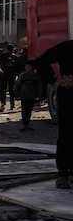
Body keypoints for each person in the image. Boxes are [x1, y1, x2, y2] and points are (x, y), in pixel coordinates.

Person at [35, 39, 73, 188]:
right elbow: (40, 60)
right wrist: (53, 80)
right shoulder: (66, 47)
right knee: (66, 134)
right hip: (68, 95)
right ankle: (63, 173)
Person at [15, 60, 43, 132]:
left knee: (29, 111)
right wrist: (17, 94)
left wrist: (39, 97)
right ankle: (25, 124)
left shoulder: (36, 77)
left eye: (29, 66)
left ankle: (27, 124)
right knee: (24, 110)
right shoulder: (23, 75)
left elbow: (40, 87)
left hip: (32, 96)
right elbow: (18, 85)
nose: (27, 68)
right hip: (24, 96)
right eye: (26, 67)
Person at [0, 43, 20, 112]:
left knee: (3, 91)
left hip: (4, 76)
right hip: (11, 76)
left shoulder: (2, 56)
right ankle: (12, 105)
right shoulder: (15, 57)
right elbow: (17, 68)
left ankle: (3, 104)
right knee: (11, 91)